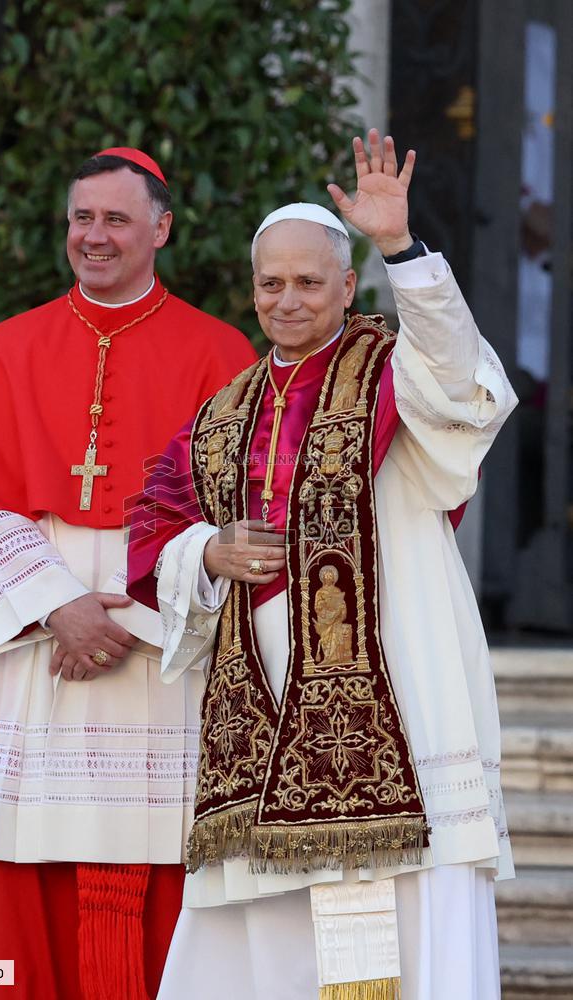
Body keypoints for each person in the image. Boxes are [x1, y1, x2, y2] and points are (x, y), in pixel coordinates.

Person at [127, 130, 517, 1000]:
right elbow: (151, 531)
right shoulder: (221, 415)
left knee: (407, 922)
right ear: (253, 291)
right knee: (264, 950)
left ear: (347, 287)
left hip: (402, 705)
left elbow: (462, 379)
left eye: (310, 282)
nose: (289, 300)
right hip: (262, 731)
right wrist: (209, 551)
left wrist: (400, 248)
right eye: (272, 284)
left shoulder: (393, 374)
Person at [0, 146, 256, 999]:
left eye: (116, 219)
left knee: (160, 848)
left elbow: (239, 522)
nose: (94, 236)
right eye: (82, 218)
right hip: (36, 646)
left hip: (161, 652)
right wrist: (58, 607)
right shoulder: (5, 348)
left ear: (160, 229)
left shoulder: (219, 352)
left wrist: (125, 620)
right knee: (1, 854)